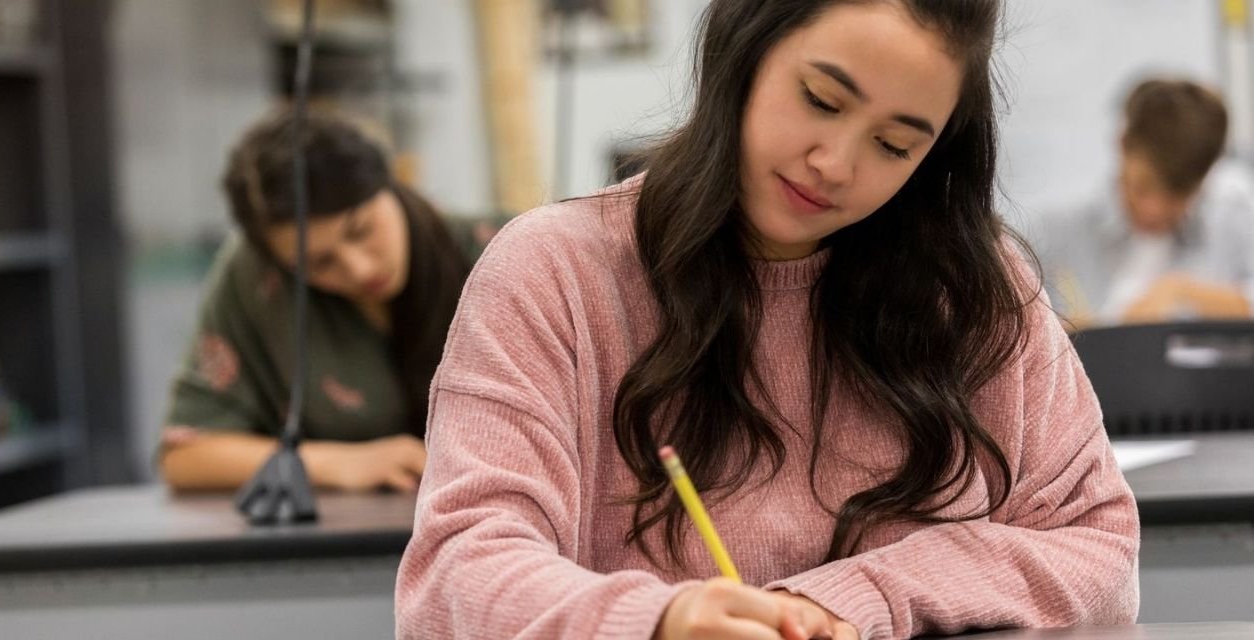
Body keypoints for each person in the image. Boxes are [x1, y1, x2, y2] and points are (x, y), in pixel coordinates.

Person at [396, 1, 1139, 638]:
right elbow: (456, 574)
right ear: (744, 51)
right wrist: (658, 621)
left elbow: (1098, 549)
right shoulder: (555, 272)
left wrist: (862, 596)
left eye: (894, 144)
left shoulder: (974, 291)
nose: (837, 163)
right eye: (821, 99)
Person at [159, 109, 471, 493]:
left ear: (391, 182)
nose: (358, 269)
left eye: (362, 230)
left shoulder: (502, 251)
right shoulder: (258, 280)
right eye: (318, 263)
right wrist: (338, 463)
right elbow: (185, 455)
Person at [1038, 77, 1254, 327]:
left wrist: (1183, 292)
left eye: (1176, 198)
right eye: (1142, 187)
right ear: (1122, 145)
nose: (1154, 209)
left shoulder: (1231, 219)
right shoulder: (1055, 230)